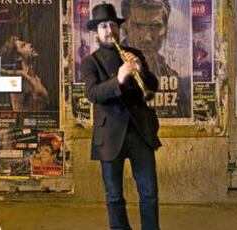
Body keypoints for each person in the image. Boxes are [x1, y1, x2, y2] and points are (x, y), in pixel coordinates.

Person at [81, 3, 161, 230]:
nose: (109, 30)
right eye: (104, 26)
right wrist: (119, 79)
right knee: (114, 196)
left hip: (139, 132)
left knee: (149, 193)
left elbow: (152, 87)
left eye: (113, 25)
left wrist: (140, 70)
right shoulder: (91, 62)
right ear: (96, 32)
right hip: (110, 135)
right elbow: (93, 93)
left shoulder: (134, 54)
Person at [121, 0, 191, 117]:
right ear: (125, 28)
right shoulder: (109, 67)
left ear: (166, 29)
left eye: (155, 27)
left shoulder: (173, 78)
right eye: (138, 26)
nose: (147, 37)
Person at [0, 35, 49, 112]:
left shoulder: (35, 76)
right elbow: (18, 112)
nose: (30, 44)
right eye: (23, 46)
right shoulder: (20, 80)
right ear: (18, 57)